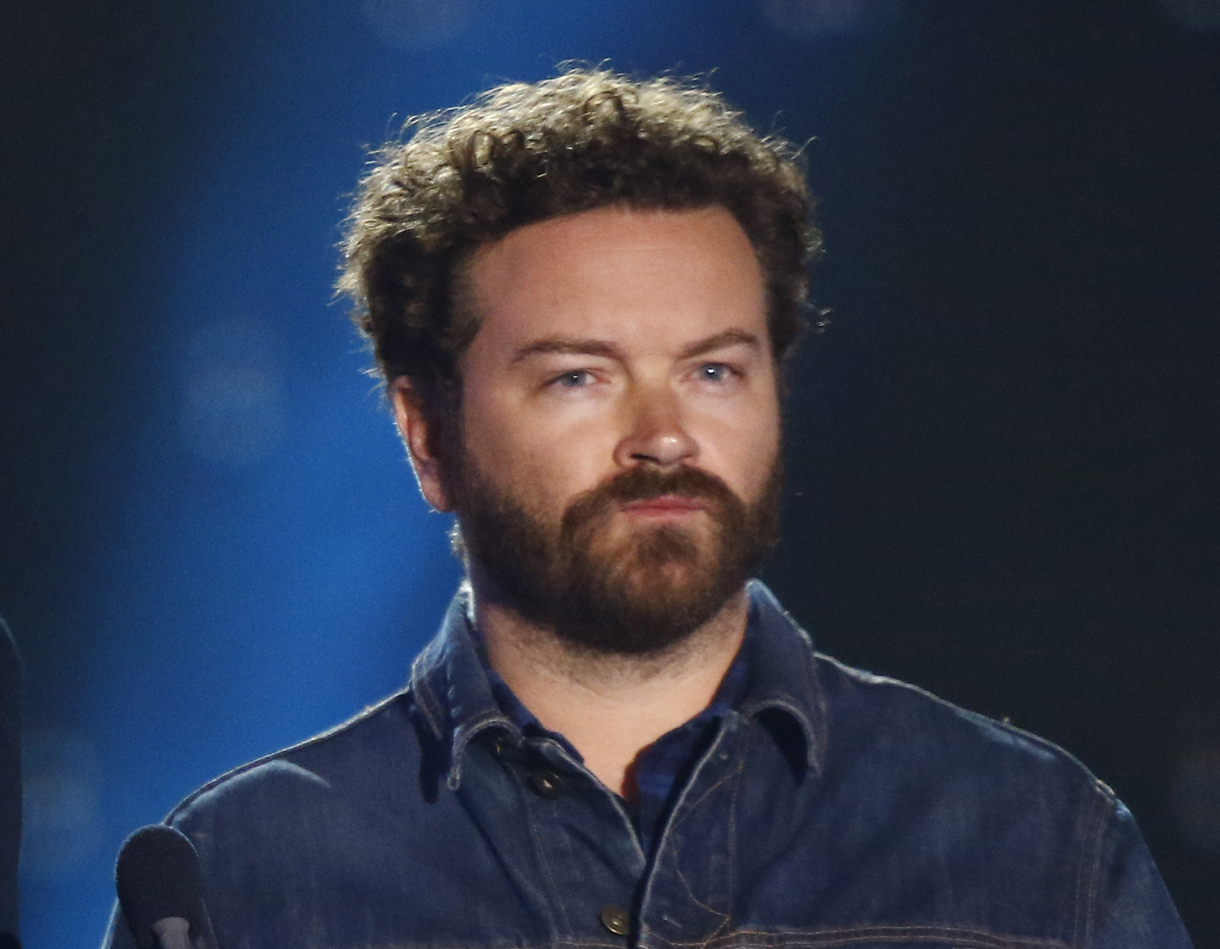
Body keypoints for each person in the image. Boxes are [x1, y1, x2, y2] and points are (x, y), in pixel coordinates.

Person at [103, 68, 1191, 949]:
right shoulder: (243, 870)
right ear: (426, 432)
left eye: (713, 371)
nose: (663, 435)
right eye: (579, 376)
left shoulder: (1035, 837)